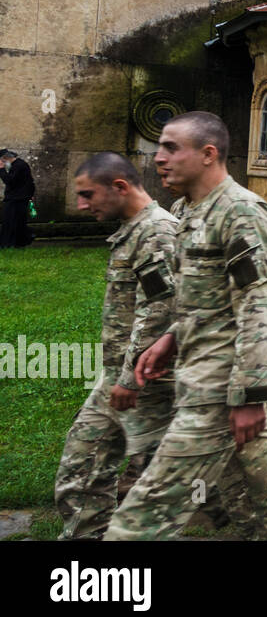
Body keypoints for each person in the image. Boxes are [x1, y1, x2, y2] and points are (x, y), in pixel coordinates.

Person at [105, 112, 267, 540]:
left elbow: (261, 306)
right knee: (256, 500)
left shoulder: (240, 212)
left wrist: (251, 396)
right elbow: (207, 299)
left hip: (218, 389)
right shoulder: (188, 210)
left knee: (138, 521)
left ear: (208, 154)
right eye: (160, 147)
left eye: (172, 148)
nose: (159, 158)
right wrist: (168, 341)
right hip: (196, 377)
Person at [54, 153, 179, 539]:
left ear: (119, 187)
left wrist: (128, 379)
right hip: (127, 375)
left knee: (84, 471)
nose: (81, 204)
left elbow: (161, 309)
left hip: (142, 379)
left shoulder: (156, 231)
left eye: (88, 194)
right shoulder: (136, 228)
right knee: (90, 472)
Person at [0, 148, 35, 248]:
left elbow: (10, 181)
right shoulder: (19, 164)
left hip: (16, 198)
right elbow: (29, 181)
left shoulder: (18, 166)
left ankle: (14, 242)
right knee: (15, 221)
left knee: (11, 220)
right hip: (18, 197)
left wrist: (1, 169)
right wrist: (31, 194)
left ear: (5, 158)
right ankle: (17, 242)